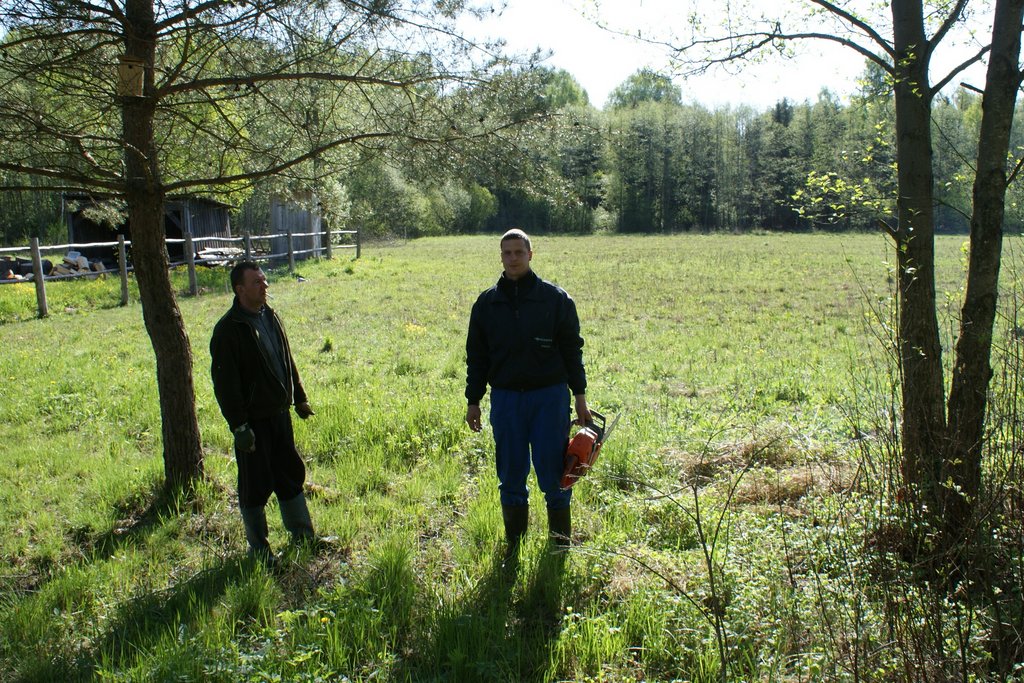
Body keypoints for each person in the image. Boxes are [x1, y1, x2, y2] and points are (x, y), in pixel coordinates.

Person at [465, 229, 591, 563]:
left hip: (549, 399)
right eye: (507, 253)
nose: (513, 258)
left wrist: (580, 396)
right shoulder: (487, 304)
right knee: (510, 474)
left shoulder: (556, 300)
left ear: (530, 255)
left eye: (519, 252)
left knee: (555, 474)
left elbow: (572, 351)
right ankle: (513, 548)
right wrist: (473, 400)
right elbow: (476, 357)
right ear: (501, 256)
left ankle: (559, 547)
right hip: (506, 400)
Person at [210, 261, 318, 562]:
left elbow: (286, 359)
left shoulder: (270, 316)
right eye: (257, 282)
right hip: (253, 423)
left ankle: (303, 536)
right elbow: (226, 385)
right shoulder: (228, 331)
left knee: (290, 474)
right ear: (240, 289)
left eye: (264, 279)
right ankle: (259, 551)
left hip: (280, 414)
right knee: (254, 485)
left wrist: (299, 397)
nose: (265, 285)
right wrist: (239, 427)